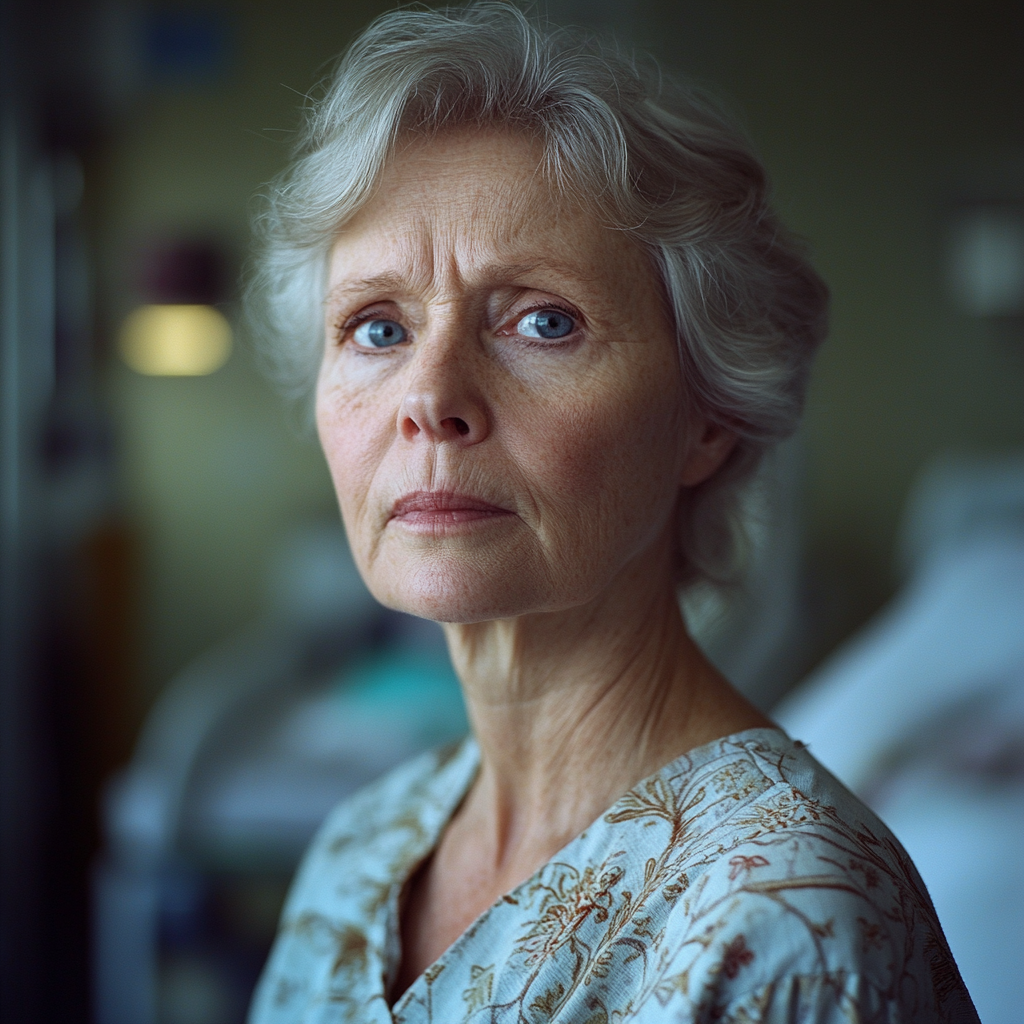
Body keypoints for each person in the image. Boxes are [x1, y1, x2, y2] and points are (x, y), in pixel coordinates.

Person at [247, 5, 976, 1021]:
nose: (430, 396)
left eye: (543, 321)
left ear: (706, 417)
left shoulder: (786, 921)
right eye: (377, 326)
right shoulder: (363, 846)